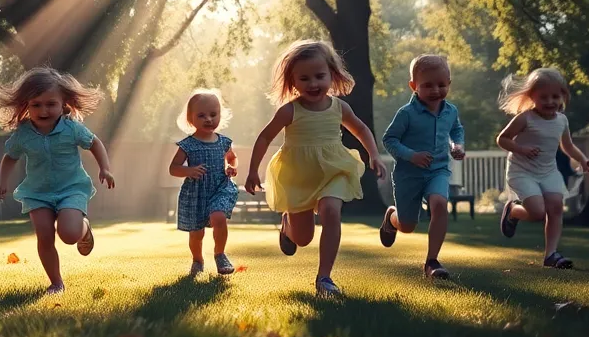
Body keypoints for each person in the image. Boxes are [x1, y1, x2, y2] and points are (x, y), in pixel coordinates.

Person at [244, 39, 387, 297]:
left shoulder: (339, 107)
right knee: (303, 239)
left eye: (320, 76)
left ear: (332, 75)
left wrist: (374, 155)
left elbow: (361, 128)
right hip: (299, 174)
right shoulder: (289, 111)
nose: (313, 84)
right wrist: (253, 170)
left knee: (331, 210)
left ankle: (324, 278)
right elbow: (265, 137)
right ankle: (288, 224)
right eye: (304, 78)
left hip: (333, 168)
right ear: (293, 82)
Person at [0, 67, 116, 294]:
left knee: (69, 235)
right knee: (44, 236)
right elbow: (10, 158)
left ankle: (84, 228)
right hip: (37, 192)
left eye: (50, 104)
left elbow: (95, 143)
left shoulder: (72, 129)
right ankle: (56, 282)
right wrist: (2, 183)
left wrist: (105, 168)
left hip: (71, 189)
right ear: (26, 106)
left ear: (63, 103)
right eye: (36, 104)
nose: (44, 110)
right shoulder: (23, 134)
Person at [496, 68, 589, 269]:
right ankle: (513, 211)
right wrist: (521, 148)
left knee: (556, 207)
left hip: (548, 171)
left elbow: (567, 146)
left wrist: (583, 159)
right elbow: (502, 139)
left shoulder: (561, 120)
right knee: (538, 212)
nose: (550, 101)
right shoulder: (525, 118)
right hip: (521, 170)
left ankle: (551, 254)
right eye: (544, 97)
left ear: (563, 96)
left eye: (555, 96)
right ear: (532, 96)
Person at [378, 54, 467, 280]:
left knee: (439, 203)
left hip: (438, 170)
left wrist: (457, 145)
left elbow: (456, 130)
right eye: (427, 85)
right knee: (407, 226)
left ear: (449, 82)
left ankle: (432, 261)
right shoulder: (406, 114)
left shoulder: (451, 111)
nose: (435, 90)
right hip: (409, 174)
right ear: (413, 86)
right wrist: (412, 155)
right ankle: (392, 217)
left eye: (441, 84)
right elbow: (389, 139)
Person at [168, 88, 239, 276]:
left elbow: (232, 158)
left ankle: (220, 254)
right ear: (191, 119)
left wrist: (231, 167)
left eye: (213, 114)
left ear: (220, 115)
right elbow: (173, 168)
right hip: (196, 193)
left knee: (219, 217)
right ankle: (197, 260)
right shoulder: (188, 144)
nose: (208, 119)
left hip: (219, 188)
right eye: (202, 115)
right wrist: (188, 171)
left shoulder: (224, 142)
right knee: (197, 233)